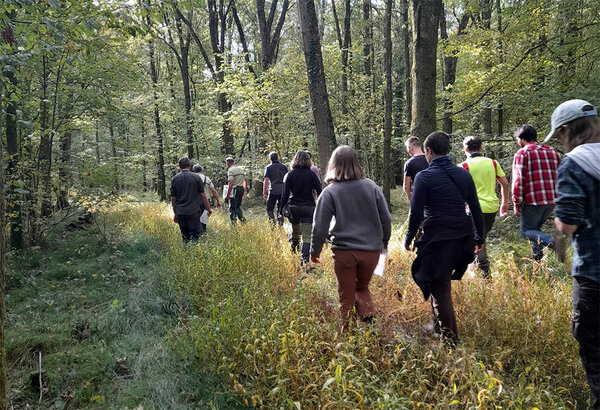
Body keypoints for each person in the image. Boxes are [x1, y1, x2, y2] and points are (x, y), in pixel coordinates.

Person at [404, 132, 484, 344]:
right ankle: (437, 328)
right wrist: (479, 237)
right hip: (462, 237)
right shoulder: (463, 175)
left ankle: (451, 343)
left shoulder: (424, 177)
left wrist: (408, 237)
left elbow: (416, 212)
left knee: (440, 288)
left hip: (437, 240)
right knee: (436, 281)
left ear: (428, 151)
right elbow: (475, 208)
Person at [547, 99, 600, 409]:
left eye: (559, 135)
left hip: (593, 273)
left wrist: (557, 221)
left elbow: (568, 224)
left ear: (567, 130)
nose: (560, 141)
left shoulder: (574, 163)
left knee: (596, 357)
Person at [311, 146, 391, 332]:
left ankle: (347, 338)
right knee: (361, 288)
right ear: (356, 163)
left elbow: (319, 227)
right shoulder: (372, 186)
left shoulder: (330, 192)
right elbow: (386, 219)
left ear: (333, 165)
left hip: (344, 252)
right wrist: (384, 243)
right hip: (372, 251)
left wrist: (314, 252)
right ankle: (371, 328)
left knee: (346, 296)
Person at [512, 124, 564, 261]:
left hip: (533, 201)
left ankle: (553, 242)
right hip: (552, 200)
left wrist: (516, 203)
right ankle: (537, 260)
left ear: (521, 139)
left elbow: (518, 181)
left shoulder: (523, 153)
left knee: (526, 231)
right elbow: (561, 175)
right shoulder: (552, 151)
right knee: (535, 229)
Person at [459, 136, 510, 277]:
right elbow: (505, 183)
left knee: (475, 241)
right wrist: (504, 204)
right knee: (479, 238)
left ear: (465, 149)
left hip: (473, 210)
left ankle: (485, 274)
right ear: (481, 148)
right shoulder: (493, 163)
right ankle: (475, 271)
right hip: (492, 208)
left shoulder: (463, 166)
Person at [279, 150, 322, 263]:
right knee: (307, 235)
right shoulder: (311, 174)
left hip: (294, 207)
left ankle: (294, 252)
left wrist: (280, 210)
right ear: (308, 160)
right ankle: (304, 260)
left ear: (295, 160)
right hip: (309, 207)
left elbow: (285, 194)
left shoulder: (290, 174)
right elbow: (319, 190)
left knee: (295, 232)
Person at [171, 156, 212, 242]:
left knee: (185, 237)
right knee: (195, 237)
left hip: (181, 212)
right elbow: (203, 195)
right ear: (189, 165)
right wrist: (208, 209)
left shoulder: (174, 179)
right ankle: (193, 253)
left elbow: (173, 199)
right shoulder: (196, 178)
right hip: (193, 211)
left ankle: (186, 252)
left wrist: (175, 213)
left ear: (179, 166)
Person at [192, 164, 221, 233]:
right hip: (206, 201)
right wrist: (218, 200)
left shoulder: (192, 177)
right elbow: (213, 190)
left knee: (196, 218)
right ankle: (203, 232)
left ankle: (197, 234)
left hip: (194, 201)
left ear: (194, 170)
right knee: (204, 218)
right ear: (201, 170)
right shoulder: (206, 178)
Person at [262, 152, 289, 226]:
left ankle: (272, 224)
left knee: (269, 209)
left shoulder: (268, 167)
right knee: (280, 208)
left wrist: (264, 192)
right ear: (278, 158)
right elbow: (288, 179)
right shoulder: (284, 167)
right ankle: (280, 224)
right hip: (283, 191)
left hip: (273, 190)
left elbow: (266, 180)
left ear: (270, 159)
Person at [403, 136, 429, 201]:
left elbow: (406, 185)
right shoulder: (430, 159)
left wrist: (409, 196)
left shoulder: (409, 163)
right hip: (432, 196)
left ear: (410, 148)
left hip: (418, 196)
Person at [225, 157, 247, 224]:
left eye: (226, 163)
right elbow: (245, 181)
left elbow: (231, 183)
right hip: (241, 188)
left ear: (228, 163)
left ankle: (234, 224)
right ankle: (243, 221)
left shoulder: (230, 170)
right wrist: (244, 191)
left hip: (234, 190)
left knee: (232, 207)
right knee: (237, 206)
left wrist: (227, 195)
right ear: (233, 162)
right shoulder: (241, 169)